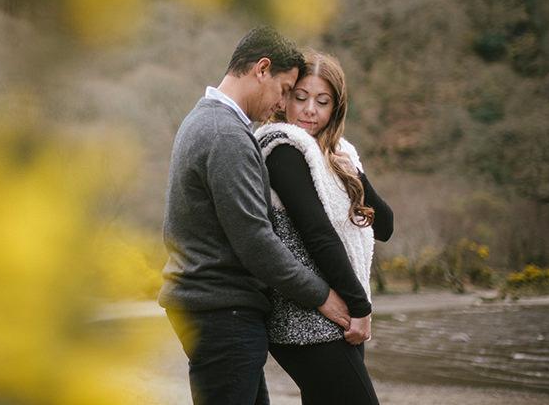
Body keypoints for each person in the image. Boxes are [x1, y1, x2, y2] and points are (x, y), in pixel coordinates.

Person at [158, 27, 352, 405]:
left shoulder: (206, 121)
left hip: (214, 309)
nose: (282, 105)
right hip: (221, 312)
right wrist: (323, 296)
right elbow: (256, 241)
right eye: (284, 90)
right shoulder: (224, 134)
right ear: (262, 69)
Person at [253, 51, 394, 405]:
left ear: (336, 108)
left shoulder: (336, 155)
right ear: (284, 99)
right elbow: (317, 233)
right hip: (305, 319)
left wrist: (356, 177)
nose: (309, 110)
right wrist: (361, 308)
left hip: (334, 319)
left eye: (322, 101)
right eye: (300, 98)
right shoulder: (283, 149)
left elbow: (385, 225)